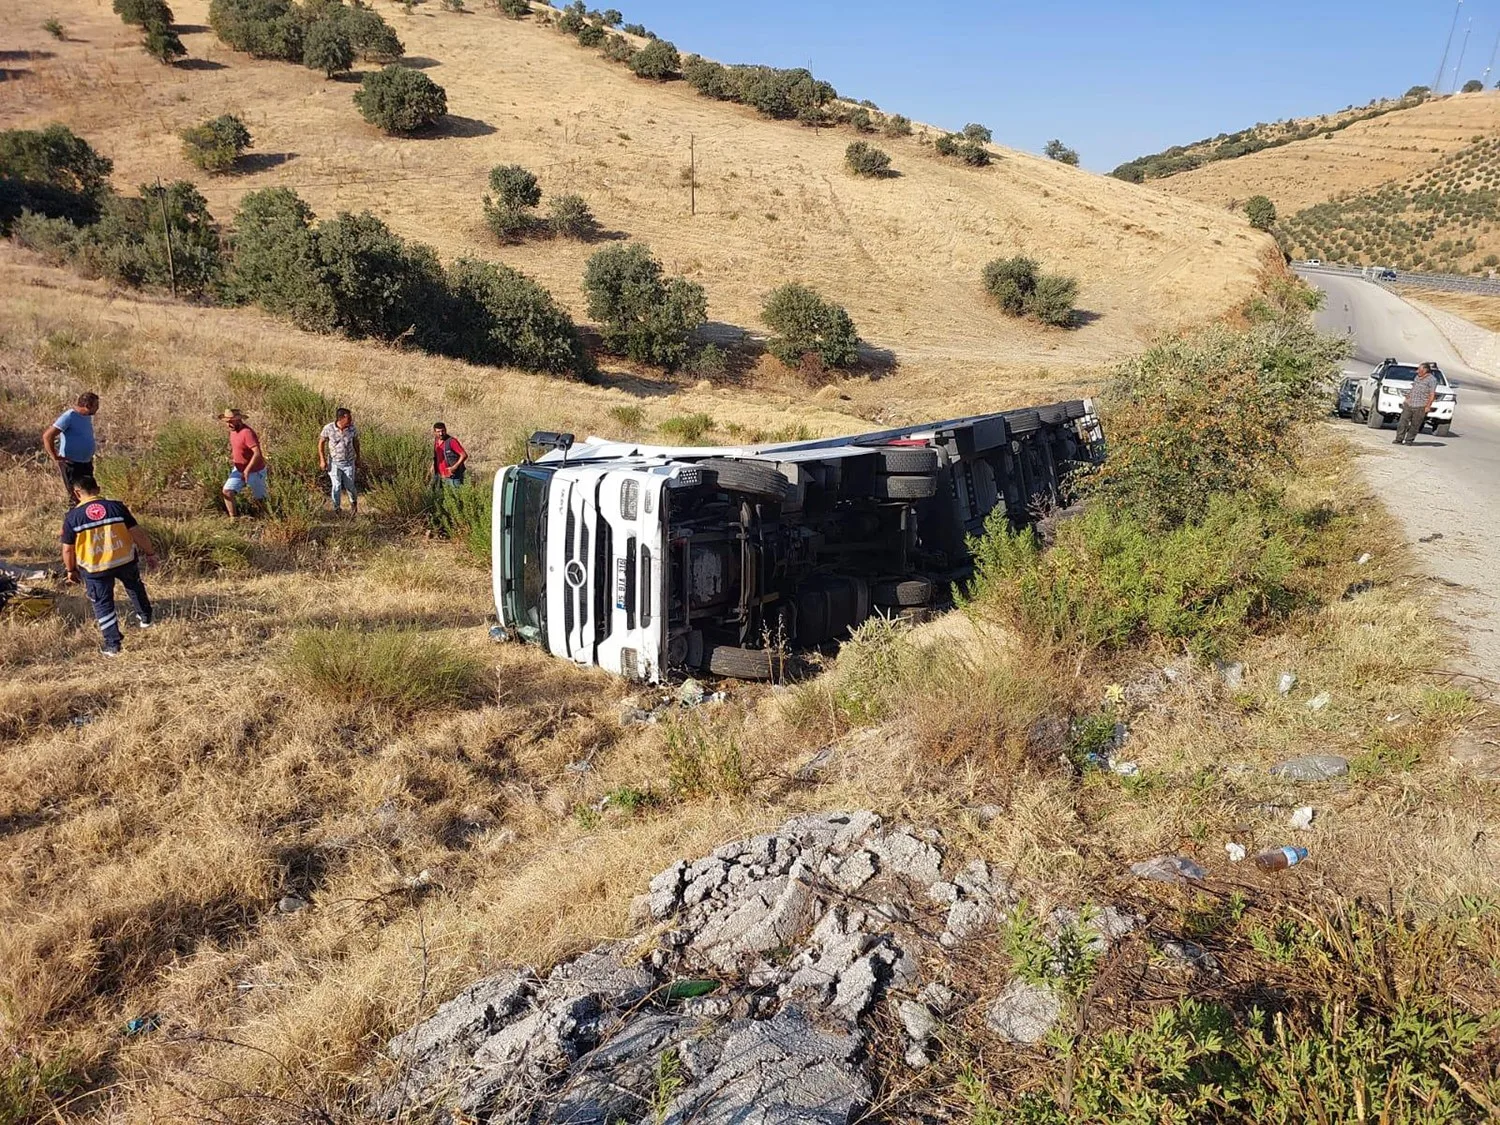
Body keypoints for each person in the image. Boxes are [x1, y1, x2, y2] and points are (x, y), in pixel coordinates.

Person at [59, 474, 157, 657]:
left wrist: (70, 570)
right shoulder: (117, 508)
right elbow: (138, 533)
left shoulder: (73, 517)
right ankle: (145, 617)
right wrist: (150, 553)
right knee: (134, 586)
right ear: (98, 490)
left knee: (103, 603)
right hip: (124, 559)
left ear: (76, 493)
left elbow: (67, 550)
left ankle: (113, 644)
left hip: (95, 567)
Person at [41, 391, 100, 505]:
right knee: (76, 495)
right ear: (88, 406)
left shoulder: (86, 417)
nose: (97, 409)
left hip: (86, 463)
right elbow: (47, 436)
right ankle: (75, 519)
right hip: (71, 464)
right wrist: (54, 455)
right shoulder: (69, 416)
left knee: (90, 493)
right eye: (96, 406)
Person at [220, 408, 268, 517]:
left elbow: (257, 453)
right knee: (227, 491)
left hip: (255, 471)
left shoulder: (247, 433)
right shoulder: (233, 432)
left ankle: (266, 519)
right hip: (239, 469)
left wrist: (247, 470)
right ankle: (234, 519)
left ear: (238, 420)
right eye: (227, 422)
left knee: (261, 500)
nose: (228, 424)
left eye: (231, 421)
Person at [318, 407, 362, 516]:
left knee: (350, 485)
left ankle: (353, 504)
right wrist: (322, 460)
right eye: (348, 417)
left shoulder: (352, 429)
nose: (351, 419)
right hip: (334, 462)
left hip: (349, 462)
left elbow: (356, 443)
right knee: (336, 485)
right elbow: (321, 443)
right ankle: (337, 509)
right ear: (341, 418)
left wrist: (358, 457)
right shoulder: (328, 428)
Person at [1395, 362, 1439, 446]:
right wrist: (1407, 397)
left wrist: (1428, 406)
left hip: (1420, 405)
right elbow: (1414, 388)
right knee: (1402, 421)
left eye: (1419, 369)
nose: (1417, 371)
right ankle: (1399, 439)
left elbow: (1432, 394)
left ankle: (1409, 440)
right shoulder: (1417, 377)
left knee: (1415, 424)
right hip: (1410, 403)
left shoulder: (1432, 380)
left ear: (1425, 370)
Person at [432, 421, 468, 487]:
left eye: (443, 431)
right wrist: (432, 467)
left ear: (446, 430)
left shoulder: (452, 441)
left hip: (453, 477)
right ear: (434, 432)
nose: (441, 433)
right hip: (441, 476)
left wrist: (455, 467)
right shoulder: (436, 441)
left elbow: (464, 455)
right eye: (438, 432)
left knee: (456, 496)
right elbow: (437, 457)